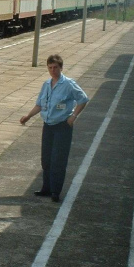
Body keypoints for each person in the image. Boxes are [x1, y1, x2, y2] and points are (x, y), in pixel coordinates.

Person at [19, 54, 89, 202]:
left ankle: (56, 191)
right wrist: (28, 116)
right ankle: (46, 188)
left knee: (58, 159)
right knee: (46, 159)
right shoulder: (46, 85)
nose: (53, 70)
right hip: (48, 126)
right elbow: (39, 105)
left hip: (62, 126)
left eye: (55, 67)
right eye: (50, 68)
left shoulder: (69, 84)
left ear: (61, 68)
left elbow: (83, 99)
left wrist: (73, 116)